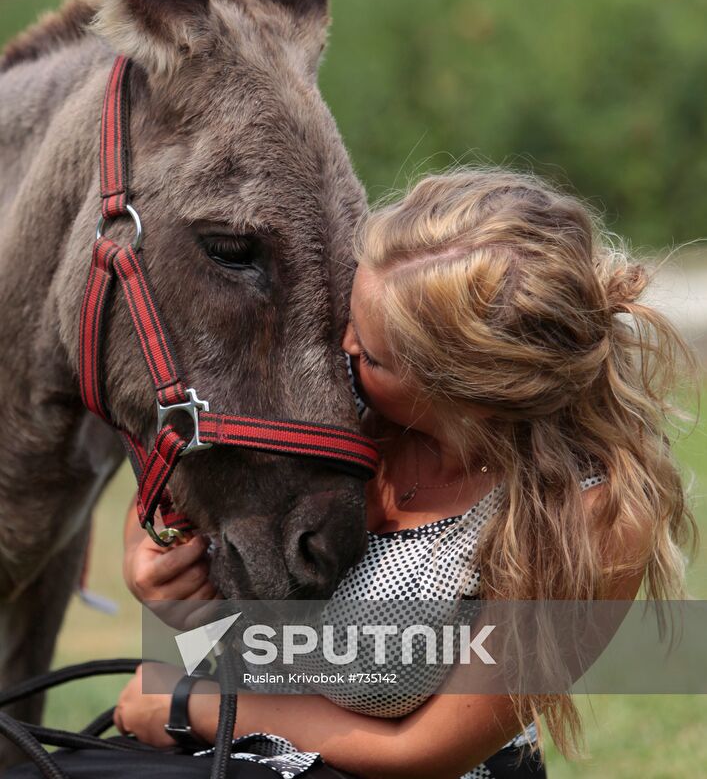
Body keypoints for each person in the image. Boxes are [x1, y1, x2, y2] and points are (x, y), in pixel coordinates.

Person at [115, 167, 700, 779]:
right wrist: (158, 572)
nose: (339, 348)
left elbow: (419, 753)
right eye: (348, 316)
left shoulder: (587, 517)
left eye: (370, 353)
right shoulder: (335, 402)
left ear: (468, 392)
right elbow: (178, 500)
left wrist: (198, 706)